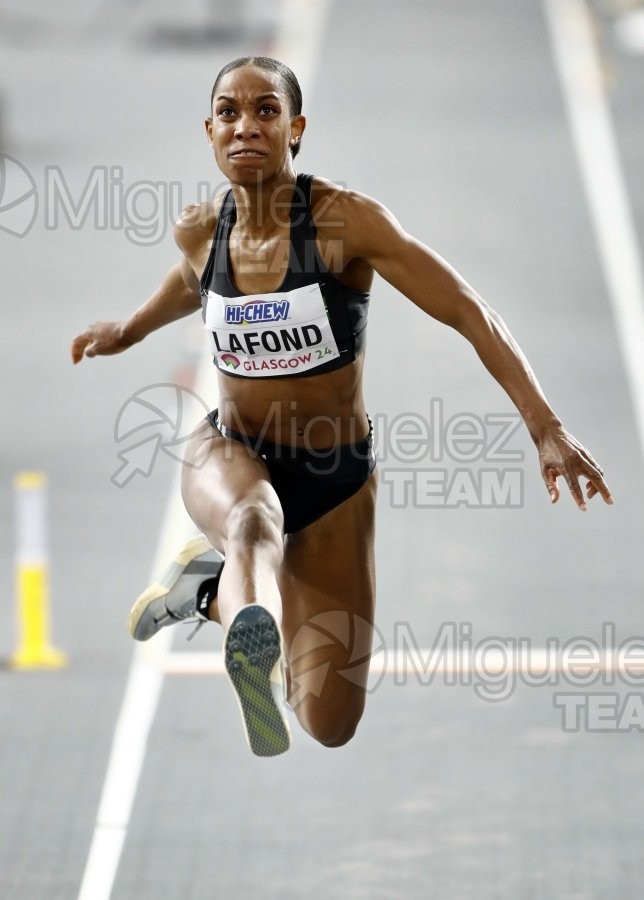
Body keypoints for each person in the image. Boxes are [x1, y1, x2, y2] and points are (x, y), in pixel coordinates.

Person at [71, 56, 613, 758]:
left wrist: (546, 427)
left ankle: (210, 594)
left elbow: (468, 310)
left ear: (296, 128)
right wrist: (130, 329)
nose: (246, 126)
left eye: (266, 110)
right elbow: (192, 281)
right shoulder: (201, 231)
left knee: (328, 723)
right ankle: (247, 615)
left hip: (335, 479)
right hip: (230, 452)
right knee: (252, 520)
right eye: (228, 113)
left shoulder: (344, 224)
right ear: (209, 132)